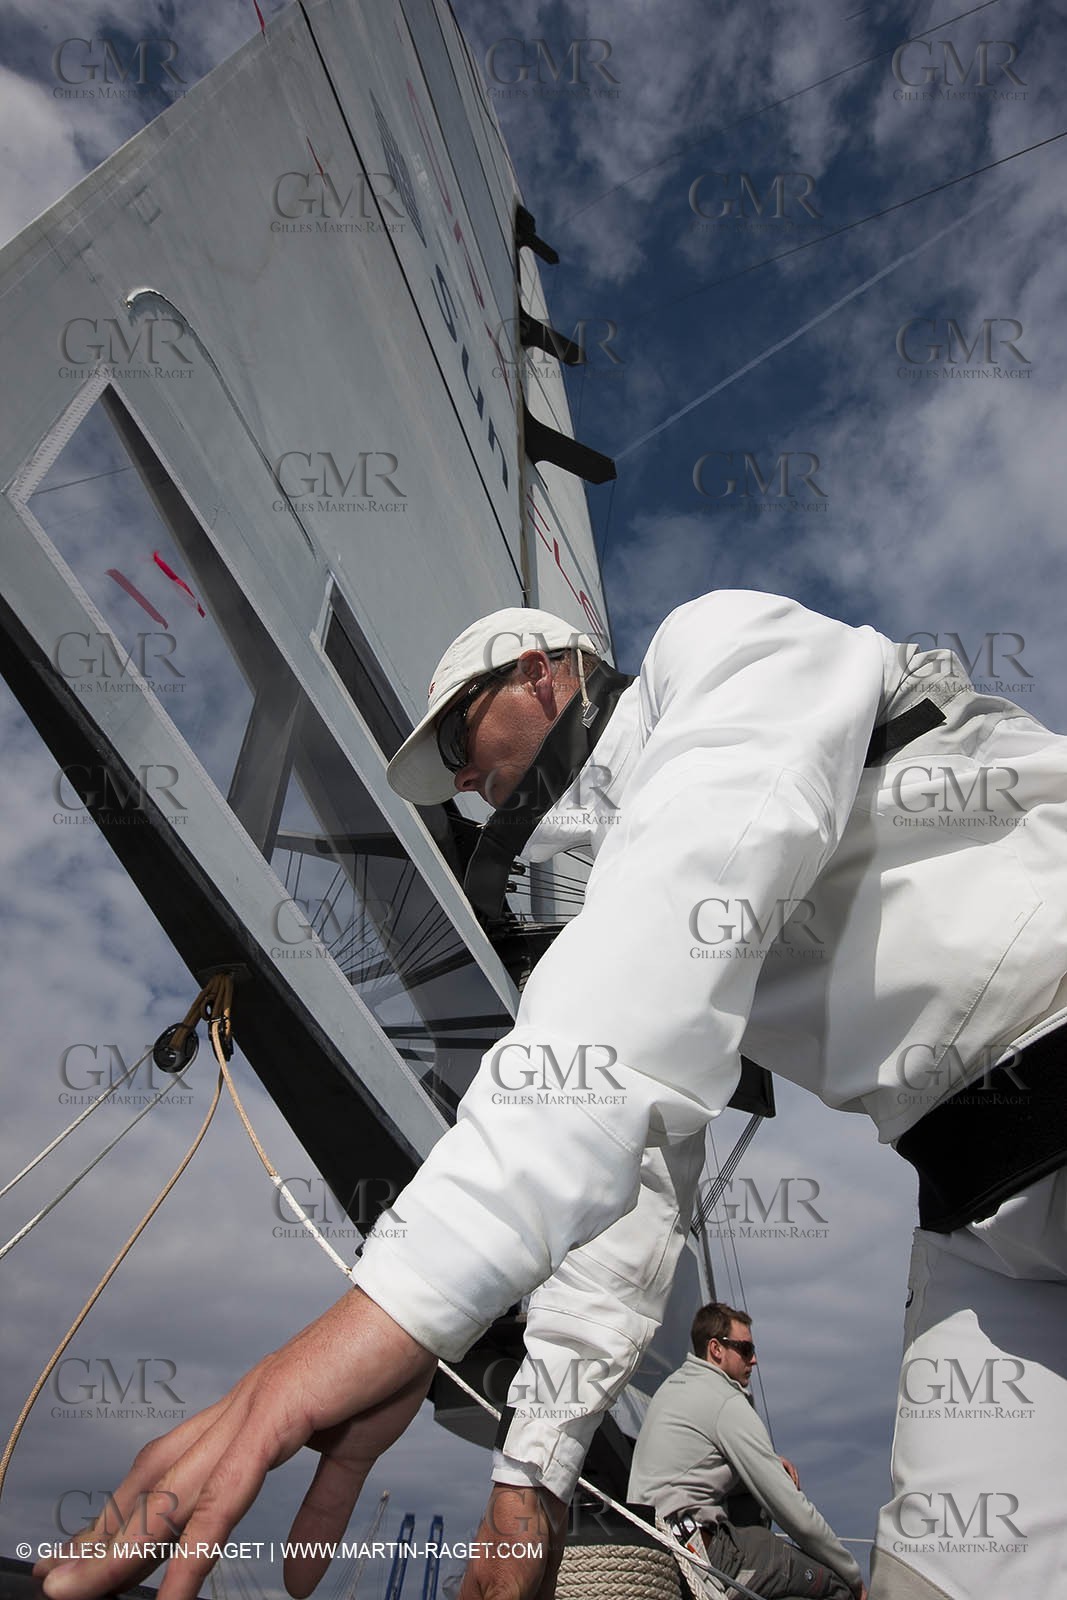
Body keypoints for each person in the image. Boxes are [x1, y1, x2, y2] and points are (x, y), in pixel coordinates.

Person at [35, 592, 1067, 1600]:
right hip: (987, 1215)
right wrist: (530, 1471)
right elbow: (634, 1193)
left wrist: (397, 1305)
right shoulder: (607, 917)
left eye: (458, 735)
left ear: (541, 672)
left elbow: (688, 894)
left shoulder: (717, 646)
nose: (460, 780)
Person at [627, 1302, 864, 1599]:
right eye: (746, 1349)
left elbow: (693, 1465)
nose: (754, 1360)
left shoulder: (673, 1387)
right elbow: (790, 1509)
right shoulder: (724, 1399)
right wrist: (853, 1575)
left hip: (649, 1549)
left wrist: (769, 1462)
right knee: (832, 1585)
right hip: (696, 1549)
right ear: (716, 1349)